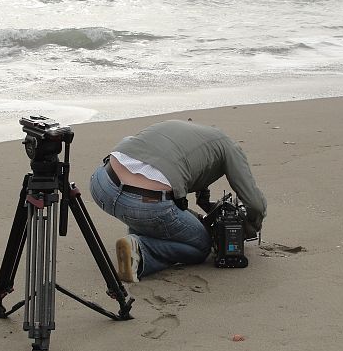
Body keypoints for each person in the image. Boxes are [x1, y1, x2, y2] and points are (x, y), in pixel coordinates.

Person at [89, 120, 267, 282]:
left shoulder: (178, 129)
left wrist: (205, 206)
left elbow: (198, 167)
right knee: (201, 246)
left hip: (101, 183)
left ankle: (139, 231)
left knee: (158, 210)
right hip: (144, 204)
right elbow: (255, 204)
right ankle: (141, 251)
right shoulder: (230, 147)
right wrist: (251, 226)